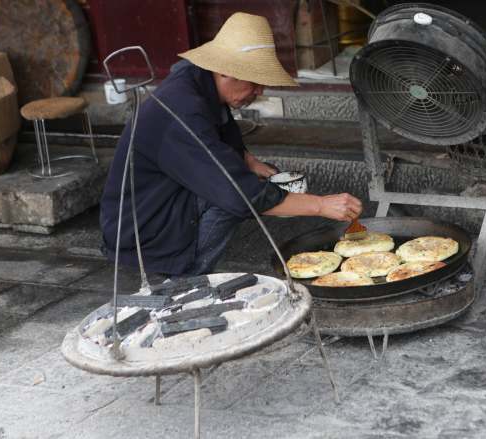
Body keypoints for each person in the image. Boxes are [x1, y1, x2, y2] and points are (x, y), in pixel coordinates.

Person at [100, 12, 362, 277]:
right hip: (143, 228)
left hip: (165, 198)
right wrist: (320, 205)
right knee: (232, 198)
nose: (260, 91)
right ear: (226, 70)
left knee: (251, 178)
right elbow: (239, 193)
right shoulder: (182, 111)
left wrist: (250, 161)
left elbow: (224, 132)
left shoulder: (198, 79)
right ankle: (187, 278)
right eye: (255, 81)